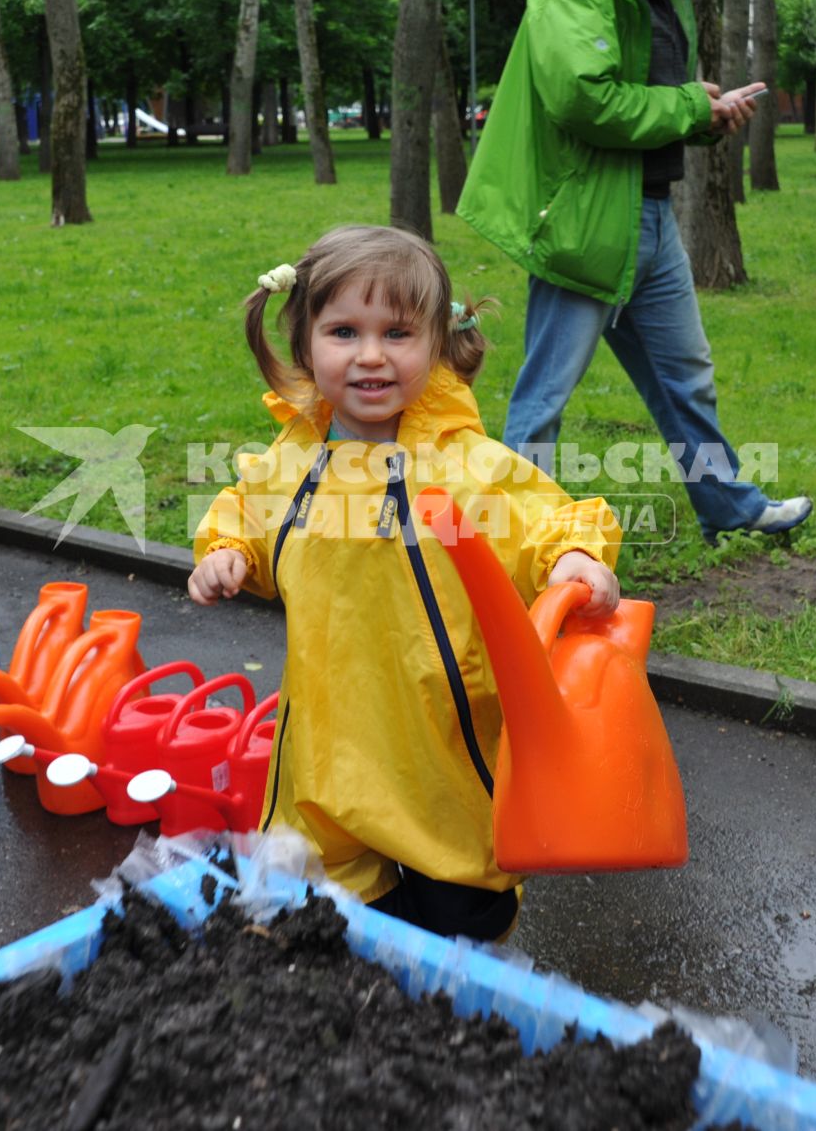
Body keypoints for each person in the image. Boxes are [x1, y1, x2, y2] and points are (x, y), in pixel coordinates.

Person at [188, 225, 621, 941]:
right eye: (343, 331)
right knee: (333, 911)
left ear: (435, 343)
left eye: (397, 332)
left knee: (458, 905)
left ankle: (465, 982)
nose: (369, 355)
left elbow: (541, 514)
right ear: (304, 343)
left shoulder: (460, 466)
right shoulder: (295, 461)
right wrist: (229, 552)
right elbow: (249, 512)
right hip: (330, 737)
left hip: (437, 737)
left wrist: (572, 554)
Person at [457, 0, 814, 545]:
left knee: (687, 377)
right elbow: (582, 99)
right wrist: (686, 108)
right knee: (545, 395)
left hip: (651, 218)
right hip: (589, 221)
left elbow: (653, 98)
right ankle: (511, 535)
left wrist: (706, 115)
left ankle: (729, 509)